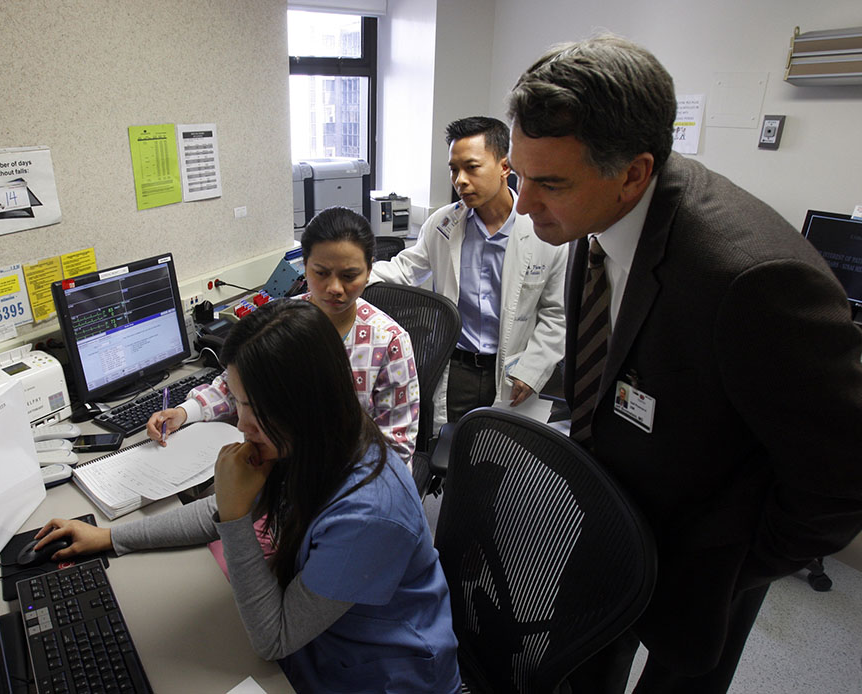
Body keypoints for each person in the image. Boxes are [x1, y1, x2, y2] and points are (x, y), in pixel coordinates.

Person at [506, 34, 862, 693]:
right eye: (517, 175)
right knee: (580, 667)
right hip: (609, 515)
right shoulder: (595, 214)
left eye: (548, 182)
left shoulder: (753, 279)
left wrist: (733, 564)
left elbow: (840, 481)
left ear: (634, 173)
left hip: (706, 554)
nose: (523, 205)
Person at [33, 300, 461, 693]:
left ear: (303, 403)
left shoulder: (370, 512)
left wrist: (236, 516)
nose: (240, 424)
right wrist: (110, 538)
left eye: (250, 406)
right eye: (237, 402)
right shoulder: (314, 439)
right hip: (321, 641)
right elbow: (218, 508)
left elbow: (273, 638)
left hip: (381, 674)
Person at [147, 206, 419, 466]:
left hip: (354, 483)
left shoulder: (389, 342)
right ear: (305, 265)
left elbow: (396, 444)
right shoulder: (279, 320)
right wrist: (184, 413)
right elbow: (236, 386)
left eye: (349, 275)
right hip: (281, 470)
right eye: (321, 273)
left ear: (369, 269)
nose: (335, 288)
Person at [368, 116, 566, 428]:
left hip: (513, 371)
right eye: (453, 169)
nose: (460, 180)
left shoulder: (544, 231)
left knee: (503, 456)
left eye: (471, 167)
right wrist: (350, 277)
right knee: (451, 450)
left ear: (504, 166)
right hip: (456, 367)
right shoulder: (443, 225)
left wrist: (532, 370)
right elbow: (405, 269)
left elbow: (556, 314)